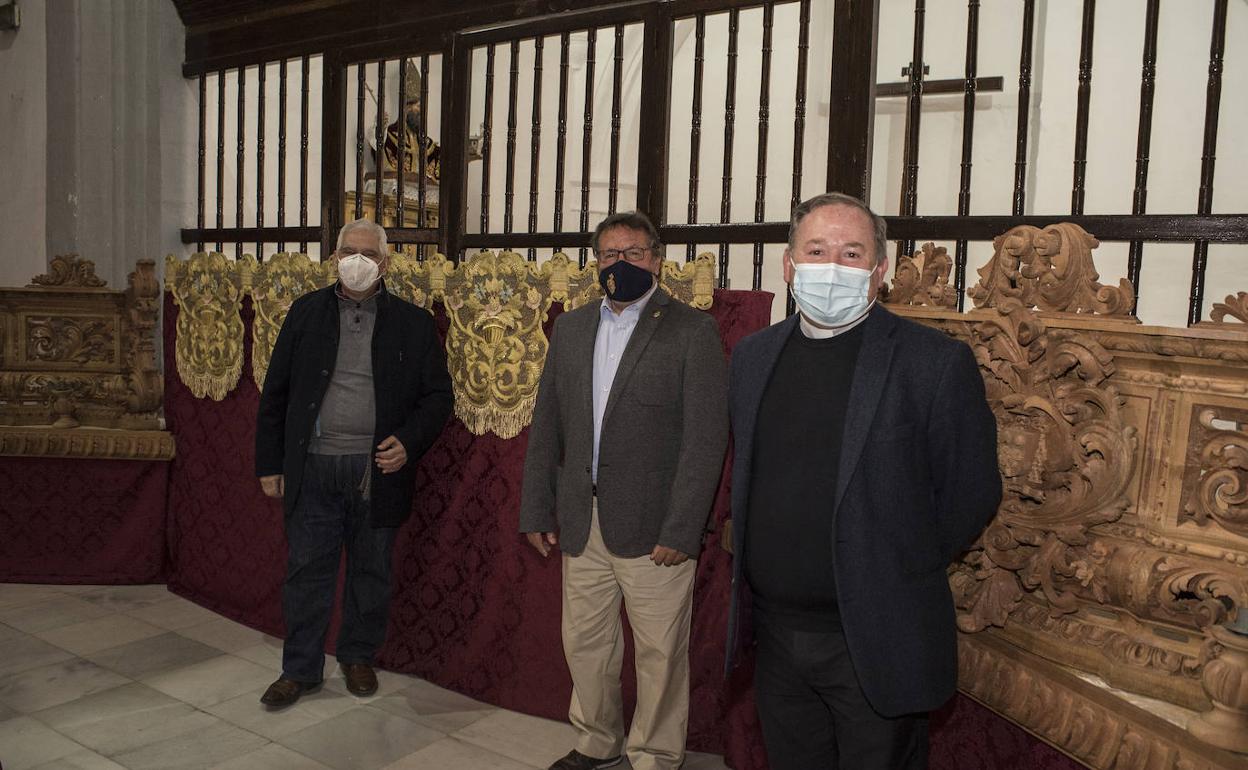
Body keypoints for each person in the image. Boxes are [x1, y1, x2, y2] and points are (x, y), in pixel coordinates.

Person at [725, 193, 1001, 769]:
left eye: (852, 253)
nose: (832, 266)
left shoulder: (932, 362)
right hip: (775, 636)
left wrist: (891, 565)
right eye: (817, 250)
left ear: (879, 270)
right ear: (788, 263)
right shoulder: (752, 358)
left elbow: (970, 493)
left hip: (874, 636)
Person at [519, 211, 729, 770]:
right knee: (586, 645)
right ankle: (597, 740)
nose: (621, 264)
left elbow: (706, 440)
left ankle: (656, 755)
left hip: (655, 529)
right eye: (610, 255)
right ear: (596, 263)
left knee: (660, 654)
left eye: (633, 253)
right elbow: (548, 425)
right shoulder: (571, 327)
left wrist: (682, 528)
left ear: (656, 260)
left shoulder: (691, 329)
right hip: (581, 520)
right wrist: (537, 507)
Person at [254, 218, 453, 709]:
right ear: (335, 257)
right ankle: (299, 669)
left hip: (378, 471)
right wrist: (269, 463)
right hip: (314, 467)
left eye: (367, 253)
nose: (357, 261)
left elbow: (437, 397)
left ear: (384, 264)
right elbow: (275, 395)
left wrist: (408, 441)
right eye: (348, 251)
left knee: (371, 571)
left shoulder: (413, 322)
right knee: (307, 572)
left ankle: (358, 656)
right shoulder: (304, 313)